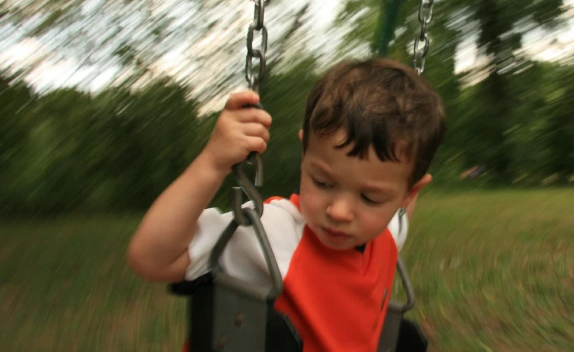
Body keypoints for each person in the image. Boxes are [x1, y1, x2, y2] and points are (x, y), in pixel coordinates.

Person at [127, 57, 446, 352]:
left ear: (406, 195)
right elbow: (152, 258)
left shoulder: (388, 232)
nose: (339, 212)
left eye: (370, 197)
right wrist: (212, 163)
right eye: (323, 182)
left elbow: (403, 214)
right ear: (305, 154)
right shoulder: (273, 233)